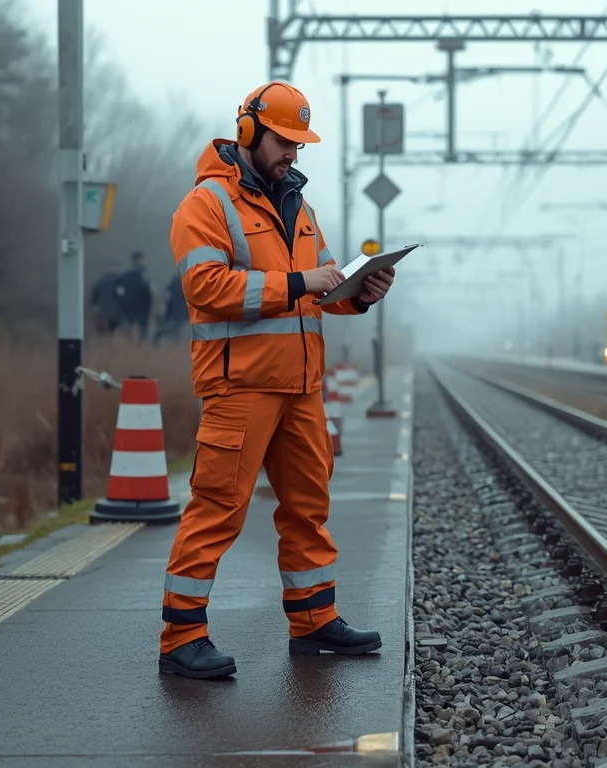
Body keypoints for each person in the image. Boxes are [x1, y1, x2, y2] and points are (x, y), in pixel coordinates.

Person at [158, 81, 395, 680]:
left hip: (301, 388)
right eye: (285, 141)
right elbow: (206, 289)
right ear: (248, 132)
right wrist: (301, 283)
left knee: (307, 509)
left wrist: (356, 295)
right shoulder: (206, 205)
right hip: (240, 389)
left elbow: (316, 294)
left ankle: (314, 622)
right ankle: (181, 636)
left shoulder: (299, 205)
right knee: (218, 509)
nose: (294, 153)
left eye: (299, 143)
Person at [117, 251, 154, 341]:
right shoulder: (144, 275)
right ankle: (141, 346)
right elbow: (148, 291)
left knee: (129, 327)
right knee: (143, 329)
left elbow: (120, 291)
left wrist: (123, 303)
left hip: (129, 306)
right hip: (142, 306)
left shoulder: (125, 275)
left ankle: (130, 346)